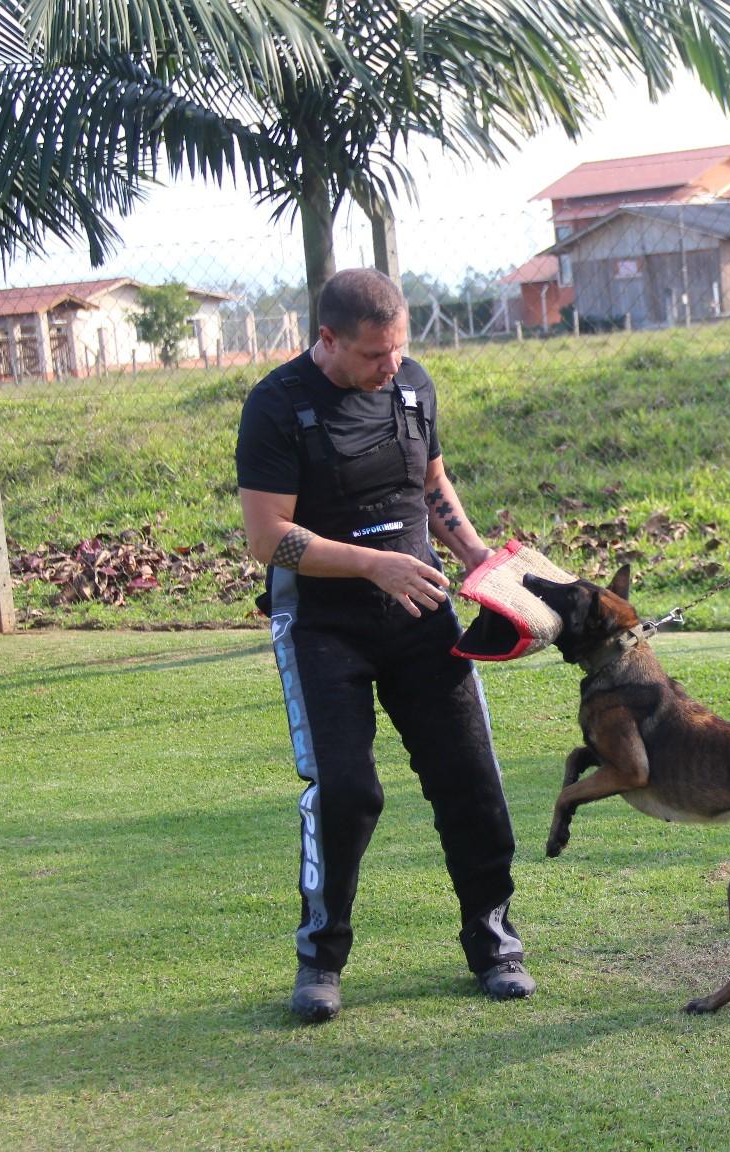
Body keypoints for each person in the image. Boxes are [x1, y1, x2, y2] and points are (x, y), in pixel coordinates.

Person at [235, 268, 532, 1023]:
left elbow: (431, 482)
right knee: (346, 791)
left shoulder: (411, 386)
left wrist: (480, 564)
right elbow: (268, 539)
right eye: (374, 354)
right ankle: (320, 960)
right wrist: (375, 563)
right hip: (323, 627)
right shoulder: (277, 406)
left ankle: (494, 940)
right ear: (326, 341)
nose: (390, 365)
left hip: (421, 613)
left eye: (400, 349)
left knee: (470, 776)